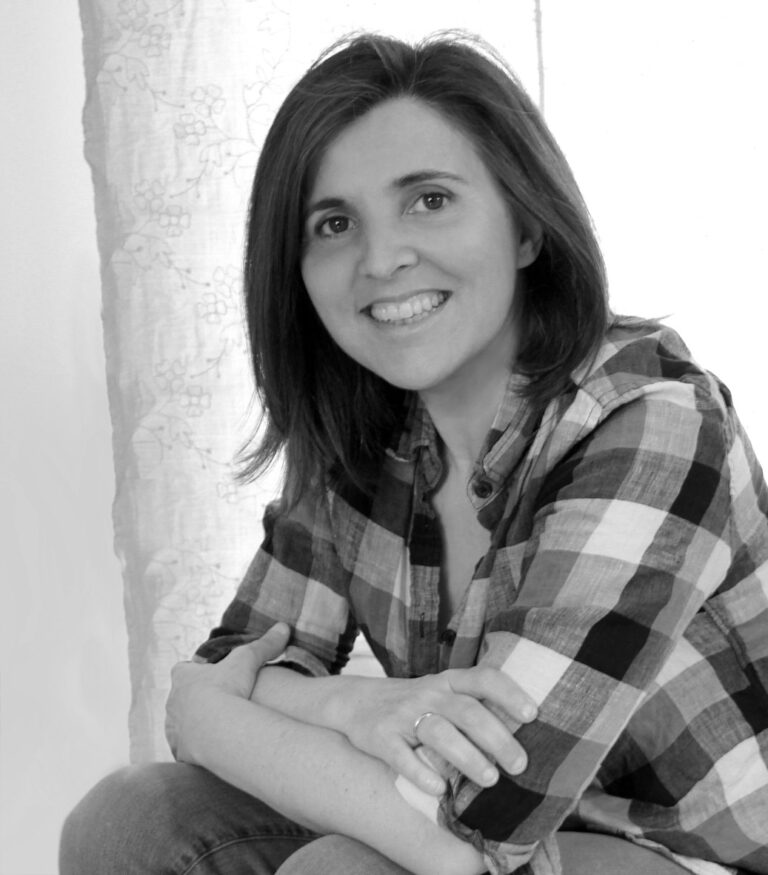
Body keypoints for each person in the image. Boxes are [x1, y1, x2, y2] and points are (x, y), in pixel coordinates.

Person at [60, 31, 768, 875]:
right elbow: (239, 660)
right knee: (131, 817)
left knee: (341, 871)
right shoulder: (368, 435)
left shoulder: (652, 421)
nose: (382, 258)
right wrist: (354, 705)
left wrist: (208, 720)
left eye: (429, 200)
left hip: (697, 855)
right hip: (522, 842)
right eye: (334, 223)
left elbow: (475, 831)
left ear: (526, 228)